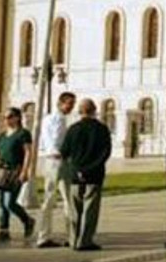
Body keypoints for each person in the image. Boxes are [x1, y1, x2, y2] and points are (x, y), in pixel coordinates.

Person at [60, 98, 112, 252]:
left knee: (75, 207)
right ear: (94, 110)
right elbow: (105, 152)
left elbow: (64, 151)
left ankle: (73, 239)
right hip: (94, 173)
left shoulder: (73, 129)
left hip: (75, 173)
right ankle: (85, 240)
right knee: (90, 208)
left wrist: (77, 167)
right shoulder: (101, 129)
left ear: (80, 111)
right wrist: (93, 166)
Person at [0, 107, 36, 242]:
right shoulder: (2, 136)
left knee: (10, 203)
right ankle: (4, 231)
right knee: (0, 203)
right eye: (5, 117)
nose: (6, 120)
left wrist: (25, 171)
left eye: (9, 116)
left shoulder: (23, 134)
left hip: (15, 171)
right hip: (0, 171)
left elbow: (28, 153)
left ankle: (27, 220)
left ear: (17, 118)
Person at [36, 92, 76, 248]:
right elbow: (58, 141)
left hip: (49, 160)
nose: (71, 107)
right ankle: (72, 235)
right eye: (69, 104)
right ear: (61, 103)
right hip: (60, 160)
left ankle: (43, 235)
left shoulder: (46, 119)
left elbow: (43, 141)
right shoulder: (59, 119)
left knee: (49, 198)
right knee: (68, 198)